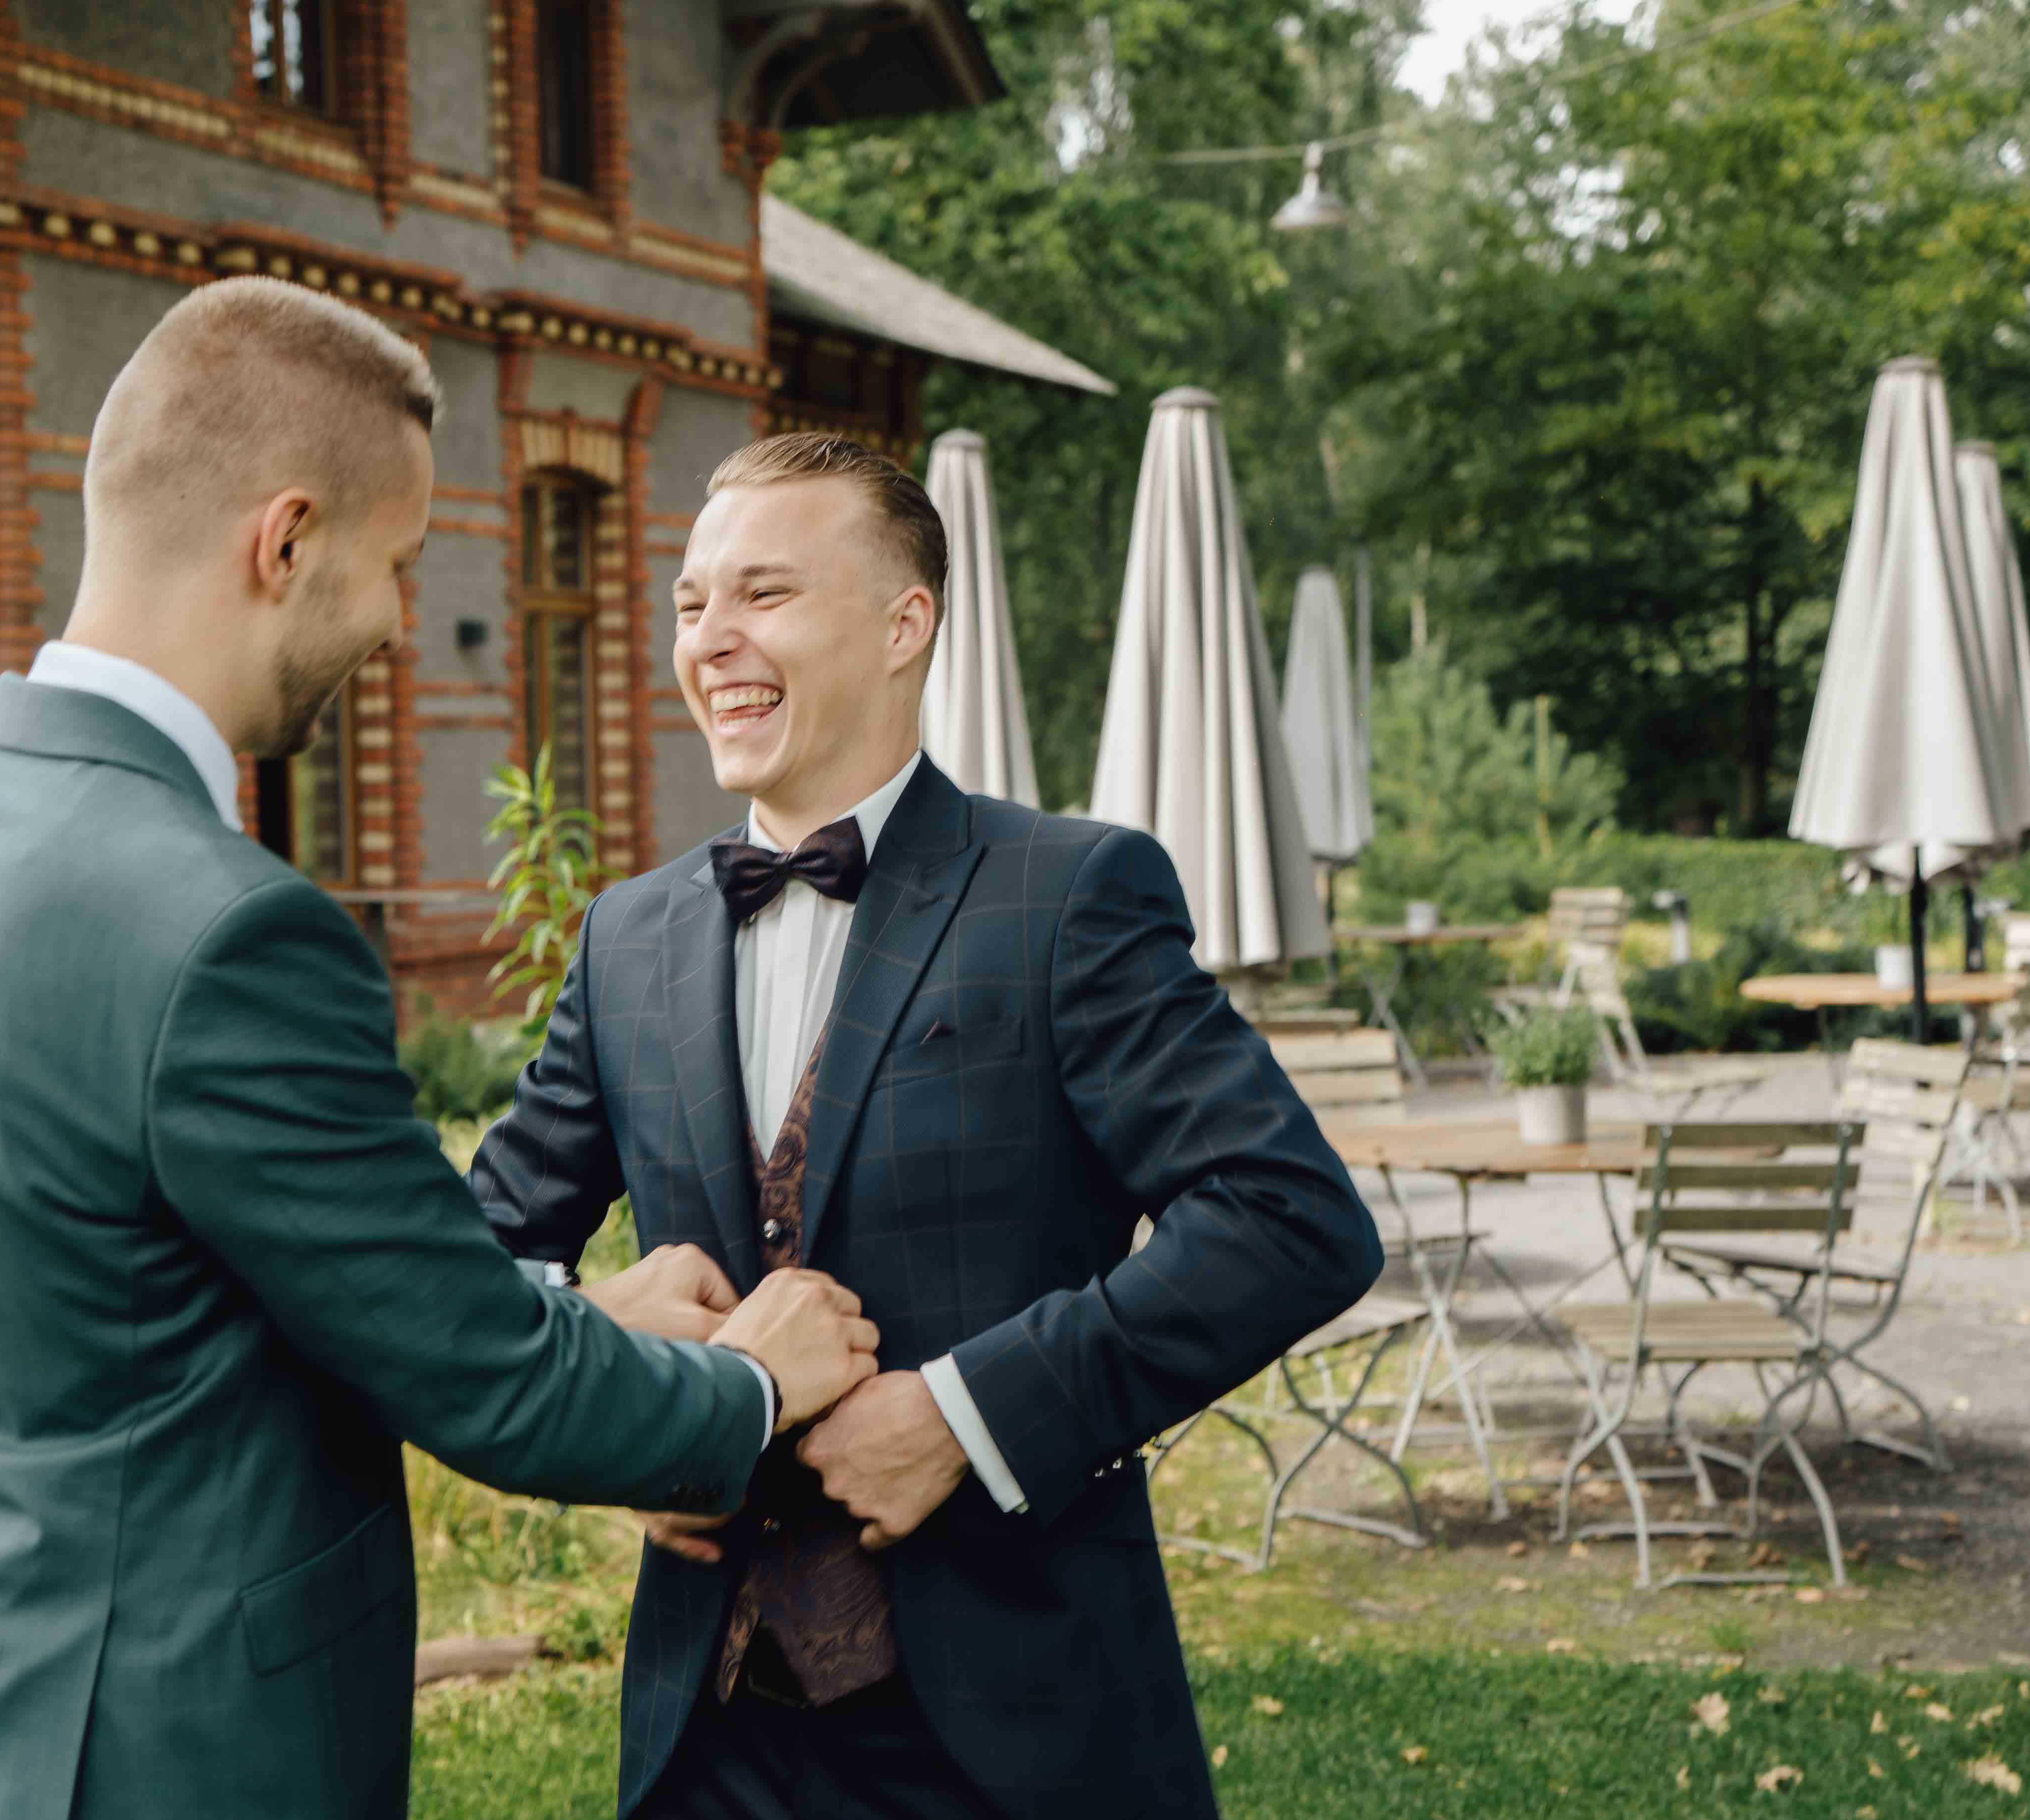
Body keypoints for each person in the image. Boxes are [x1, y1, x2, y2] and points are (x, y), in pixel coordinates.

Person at [0, 283, 879, 1820]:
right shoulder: (229, 929)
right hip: (152, 1754)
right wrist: (745, 1387)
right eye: (396, 565)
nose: (394, 621)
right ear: (282, 542)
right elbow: (492, 1387)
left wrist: (575, 1304)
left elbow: (152, 1289)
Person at [469, 432, 1383, 1820]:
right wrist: (618, 1381)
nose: (712, 638)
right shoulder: (626, 939)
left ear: (907, 625)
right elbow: (469, 1267)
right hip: (704, 1742)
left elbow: (1289, 1217)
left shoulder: (1067, 895)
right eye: (691, 602)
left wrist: (967, 1413)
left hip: (1013, 1732)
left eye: (763, 594)